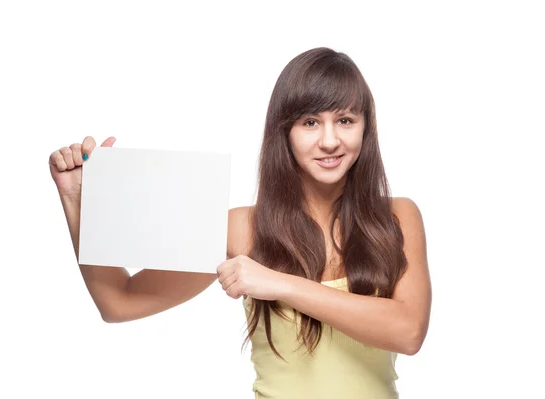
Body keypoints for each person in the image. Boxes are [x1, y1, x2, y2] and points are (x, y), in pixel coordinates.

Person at [49, 47, 432, 399]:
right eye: (311, 122)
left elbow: (409, 331)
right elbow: (120, 302)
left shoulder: (397, 217)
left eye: (345, 120)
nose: (330, 140)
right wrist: (78, 202)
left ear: (365, 128)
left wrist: (279, 283)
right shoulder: (242, 228)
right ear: (285, 131)